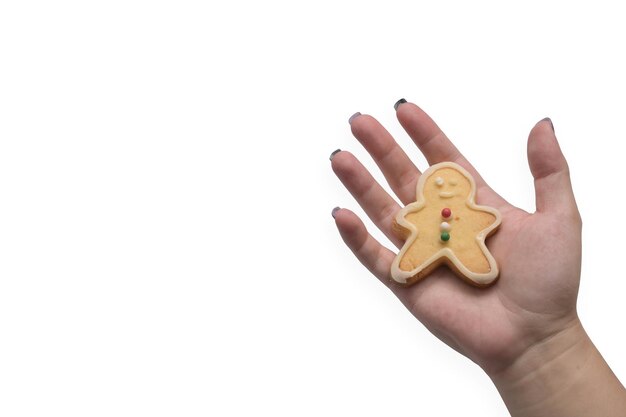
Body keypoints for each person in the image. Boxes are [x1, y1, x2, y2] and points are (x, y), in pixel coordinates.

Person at [329, 99, 626, 417]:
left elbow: (484, 220)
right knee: (412, 261)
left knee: (462, 262)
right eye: (439, 184)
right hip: (425, 249)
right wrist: (544, 350)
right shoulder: (418, 213)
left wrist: (545, 343)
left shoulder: (478, 215)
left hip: (466, 253)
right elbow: (408, 218)